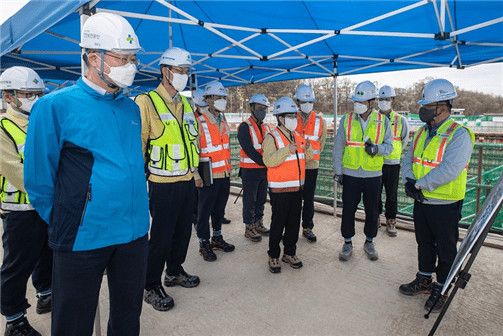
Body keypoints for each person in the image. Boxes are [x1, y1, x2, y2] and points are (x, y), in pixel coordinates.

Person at [24, 13, 150, 336]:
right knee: (72, 324)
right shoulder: (55, 107)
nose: (131, 66)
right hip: (83, 239)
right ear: (94, 58)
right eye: (123, 58)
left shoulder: (131, 109)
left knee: (127, 318)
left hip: (134, 234)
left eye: (133, 59)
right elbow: (38, 180)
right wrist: (70, 219)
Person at [399, 79, 474, 313]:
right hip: (422, 200)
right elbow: (408, 158)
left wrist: (419, 184)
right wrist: (408, 180)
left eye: (428, 104)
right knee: (424, 243)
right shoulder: (422, 131)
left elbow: (449, 169)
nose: (424, 109)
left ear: (443, 106)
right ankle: (424, 279)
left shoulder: (459, 135)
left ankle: (441, 288)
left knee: (446, 248)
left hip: (445, 203)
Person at [135, 47, 200, 312]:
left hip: (186, 181)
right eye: (181, 71)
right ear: (165, 72)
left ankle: (174, 271)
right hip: (162, 184)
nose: (185, 76)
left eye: (187, 72)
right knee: (161, 236)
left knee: (184, 231)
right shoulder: (146, 102)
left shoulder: (186, 104)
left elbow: (190, 141)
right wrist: (138, 185)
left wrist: (195, 175)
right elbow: (138, 145)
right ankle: (150, 285)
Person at [0, 67, 52, 336]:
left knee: (47, 253)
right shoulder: (3, 128)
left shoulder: (40, 123)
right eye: (29, 94)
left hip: (45, 205)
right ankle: (14, 319)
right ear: (9, 97)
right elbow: (16, 172)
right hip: (21, 209)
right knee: (17, 264)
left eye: (38, 94)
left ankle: (46, 293)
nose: (35, 98)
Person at [332, 80, 393, 262]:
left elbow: (390, 146)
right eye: (355, 102)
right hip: (350, 173)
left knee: (372, 210)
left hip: (373, 175)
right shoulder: (347, 119)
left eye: (361, 102)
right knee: (348, 209)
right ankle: (347, 241)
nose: (357, 105)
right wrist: (338, 171)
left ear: (371, 103)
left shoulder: (382, 121)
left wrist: (377, 149)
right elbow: (338, 147)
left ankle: (369, 241)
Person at [263, 97, 312, 273]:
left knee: (293, 223)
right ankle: (273, 255)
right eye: (290, 116)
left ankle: (289, 253)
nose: (294, 119)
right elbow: (268, 160)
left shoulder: (298, 136)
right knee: (278, 223)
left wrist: (308, 149)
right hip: (280, 189)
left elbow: (309, 158)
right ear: (281, 118)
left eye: (295, 116)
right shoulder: (271, 137)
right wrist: (286, 151)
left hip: (297, 188)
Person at [195, 81, 235, 261]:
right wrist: (195, 175)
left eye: (223, 97)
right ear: (209, 100)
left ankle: (217, 237)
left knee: (219, 210)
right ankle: (204, 242)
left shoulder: (224, 120)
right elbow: (193, 150)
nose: (222, 101)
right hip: (207, 176)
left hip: (224, 174)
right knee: (204, 211)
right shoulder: (200, 122)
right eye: (218, 97)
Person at [294, 84, 327, 243]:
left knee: (308, 199)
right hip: (293, 166)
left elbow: (321, 143)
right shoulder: (291, 117)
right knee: (292, 198)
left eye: (310, 101)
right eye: (303, 101)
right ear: (298, 101)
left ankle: (307, 227)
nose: (307, 104)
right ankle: (291, 227)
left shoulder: (321, 120)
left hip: (311, 166)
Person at [377, 85, 409, 237]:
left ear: (392, 101)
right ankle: (375, 217)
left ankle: (391, 220)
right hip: (376, 162)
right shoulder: (374, 119)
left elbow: (404, 141)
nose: (384, 101)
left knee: (392, 194)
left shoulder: (400, 120)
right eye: (381, 99)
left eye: (386, 99)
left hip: (393, 163)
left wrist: (393, 152)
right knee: (375, 193)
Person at [238, 94, 271, 242]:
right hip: (250, 171)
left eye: (264, 108)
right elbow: (249, 150)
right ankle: (249, 226)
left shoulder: (266, 127)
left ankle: (258, 222)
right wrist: (265, 162)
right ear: (251, 108)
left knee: (261, 199)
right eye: (259, 108)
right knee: (249, 201)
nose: (262, 111)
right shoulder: (245, 127)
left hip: (263, 171)